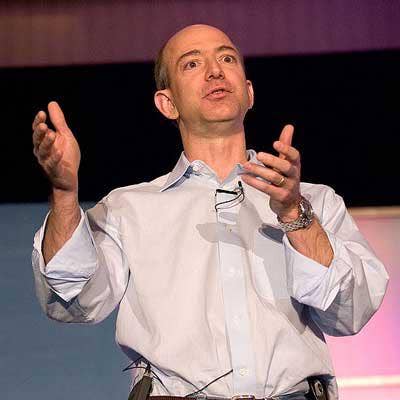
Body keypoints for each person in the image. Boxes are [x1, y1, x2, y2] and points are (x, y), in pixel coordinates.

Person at [31, 24, 388, 400]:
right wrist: (65, 193)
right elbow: (74, 300)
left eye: (227, 58)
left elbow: (350, 312)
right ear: (167, 104)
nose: (215, 71)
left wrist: (295, 216)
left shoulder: (314, 201)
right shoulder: (127, 208)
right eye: (192, 64)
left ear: (249, 92)